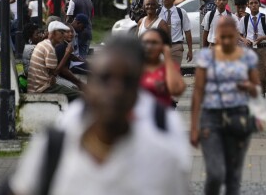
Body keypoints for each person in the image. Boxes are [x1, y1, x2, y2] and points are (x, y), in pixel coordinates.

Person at [10, 36, 189, 195]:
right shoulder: (53, 148)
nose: (116, 91)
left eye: (127, 82)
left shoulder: (163, 159)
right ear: (90, 86)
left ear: (138, 92)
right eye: (105, 79)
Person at [191, 17, 260, 195]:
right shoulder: (206, 57)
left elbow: (256, 90)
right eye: (223, 37)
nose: (227, 41)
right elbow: (198, 92)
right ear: (216, 37)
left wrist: (248, 87)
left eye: (231, 36)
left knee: (233, 176)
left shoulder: (247, 57)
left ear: (237, 35)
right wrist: (193, 127)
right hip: (211, 119)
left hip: (239, 118)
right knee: (215, 173)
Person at [27, 21, 85, 102]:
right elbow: (55, 72)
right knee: (81, 95)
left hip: (39, 85)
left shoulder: (45, 44)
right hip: (42, 88)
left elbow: (52, 74)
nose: (64, 35)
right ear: (54, 33)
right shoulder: (49, 48)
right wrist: (67, 53)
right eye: (61, 33)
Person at [238, 0, 266, 96]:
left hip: (262, 49)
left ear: (259, 4)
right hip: (249, 49)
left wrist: (263, 38)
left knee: (264, 73)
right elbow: (238, 34)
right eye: (251, 3)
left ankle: (262, 91)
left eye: (255, 3)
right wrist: (244, 39)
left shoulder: (265, 18)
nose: (254, 5)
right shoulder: (244, 20)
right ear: (248, 6)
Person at [140, 29, 187, 107]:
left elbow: (176, 90)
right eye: (145, 42)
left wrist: (167, 56)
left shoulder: (169, 67)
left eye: (154, 43)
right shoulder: (134, 66)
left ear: (163, 46)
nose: (149, 47)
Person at [160, 0, 193, 64]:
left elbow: (187, 32)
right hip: (161, 48)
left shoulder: (181, 12)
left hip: (176, 47)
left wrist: (190, 50)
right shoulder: (158, 12)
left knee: (174, 72)